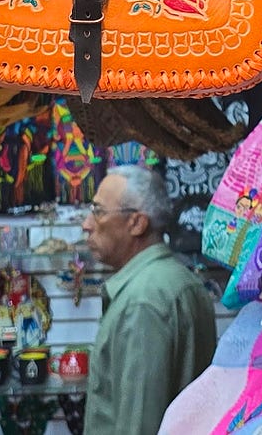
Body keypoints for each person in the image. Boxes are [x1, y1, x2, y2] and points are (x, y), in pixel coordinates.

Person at [82, 165, 216, 435]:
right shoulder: (180, 281)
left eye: (98, 211)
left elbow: (139, 424)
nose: (87, 224)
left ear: (137, 223)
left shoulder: (142, 302)